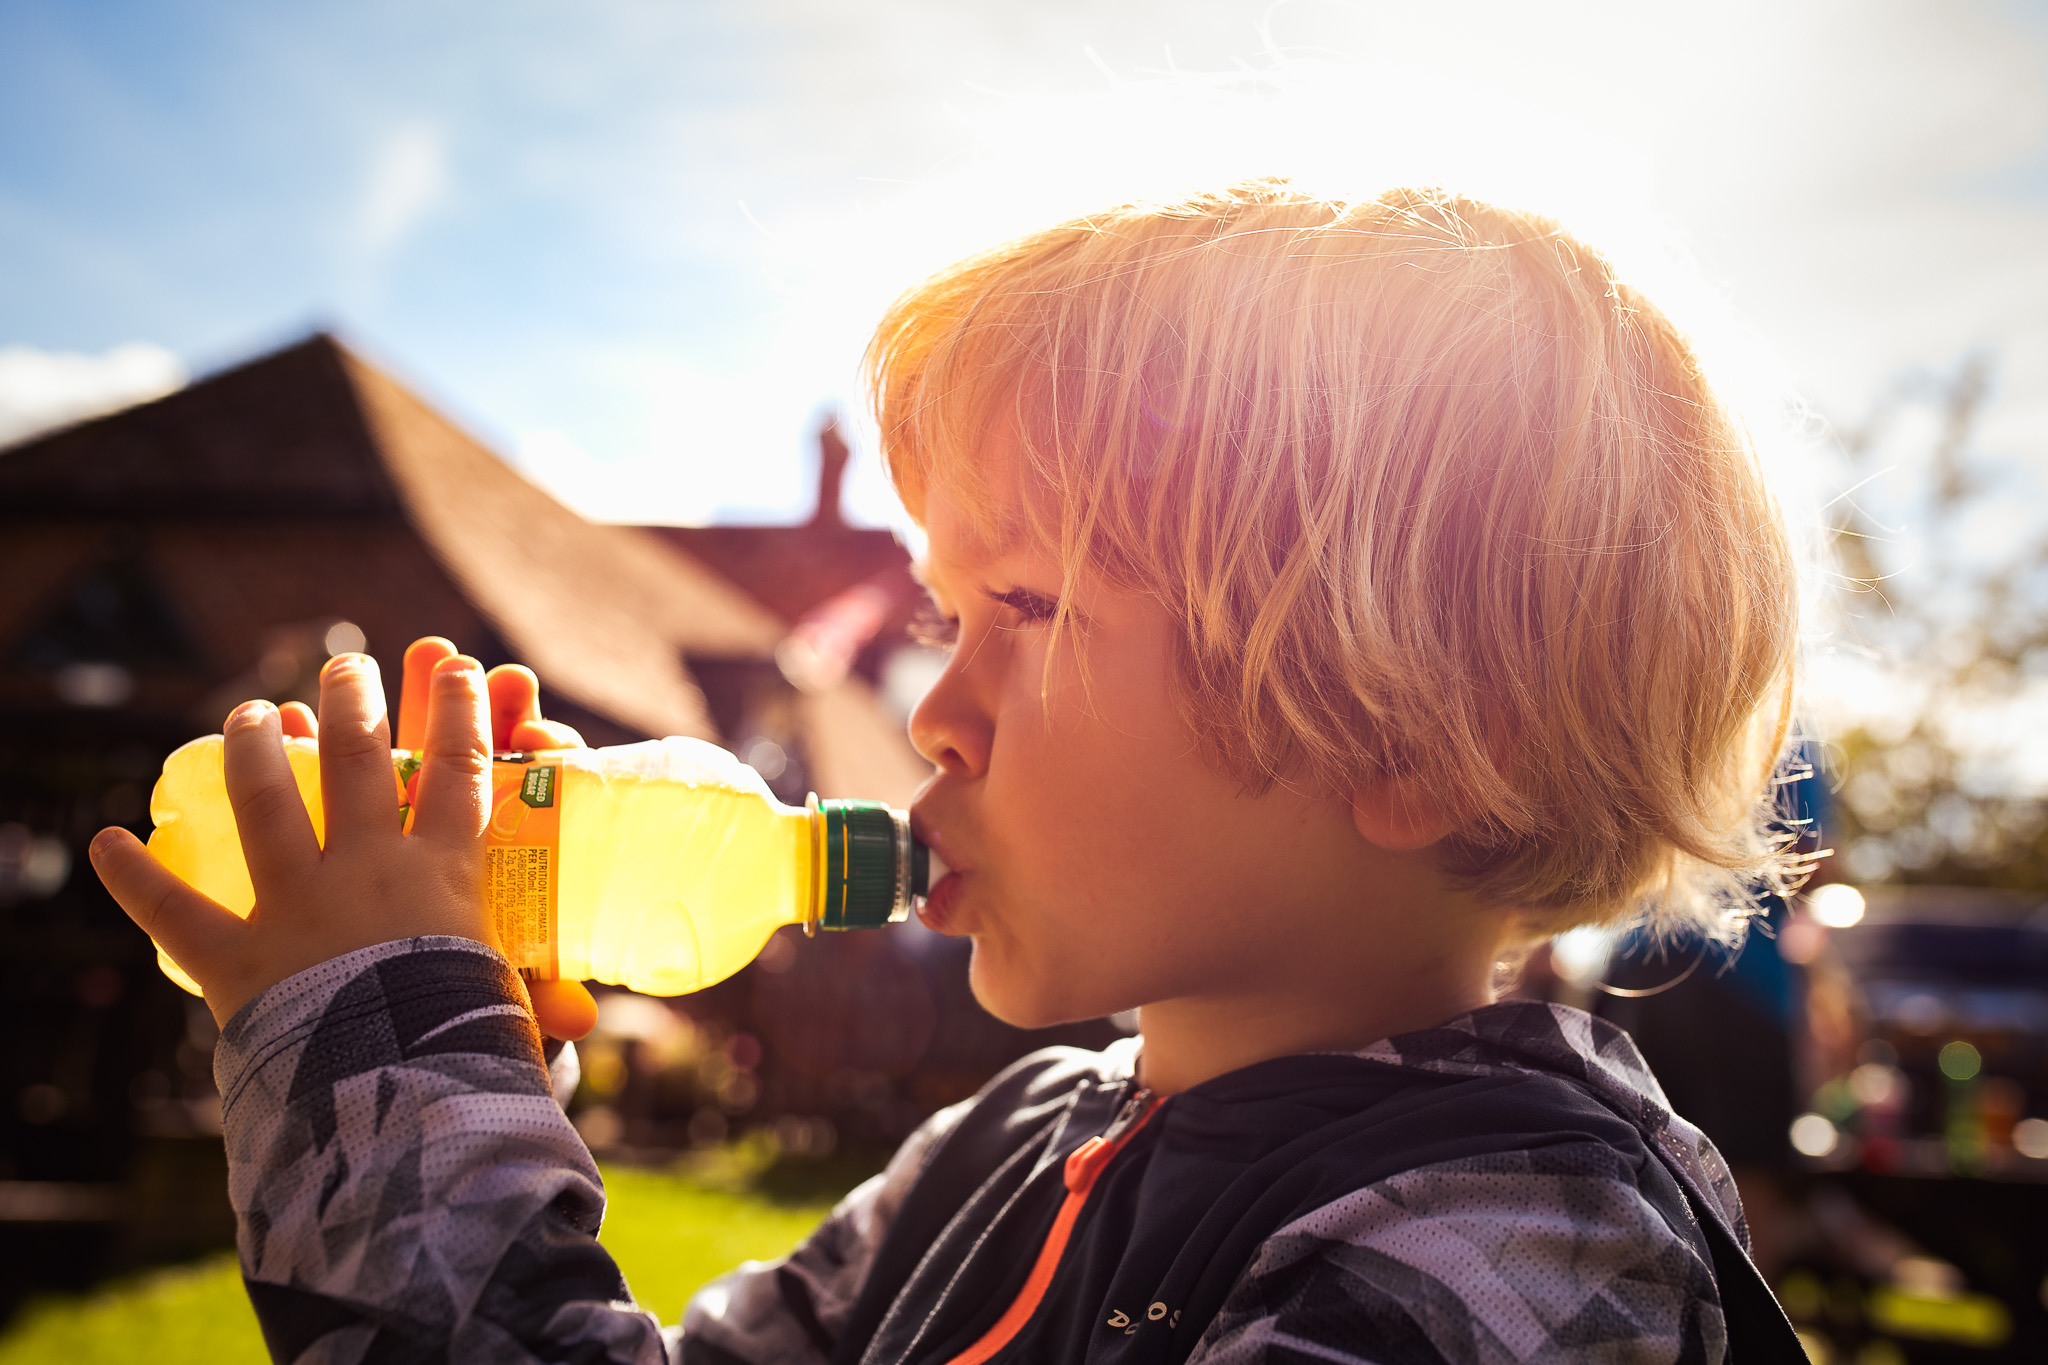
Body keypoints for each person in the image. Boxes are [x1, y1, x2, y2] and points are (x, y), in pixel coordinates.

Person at [91, 181, 1812, 1362]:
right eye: (941, 615)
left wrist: (385, 1076)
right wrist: (479, 1069)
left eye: (1027, 606)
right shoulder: (1010, 1143)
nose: (933, 710)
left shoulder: (1517, 1256)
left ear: (1424, 740)